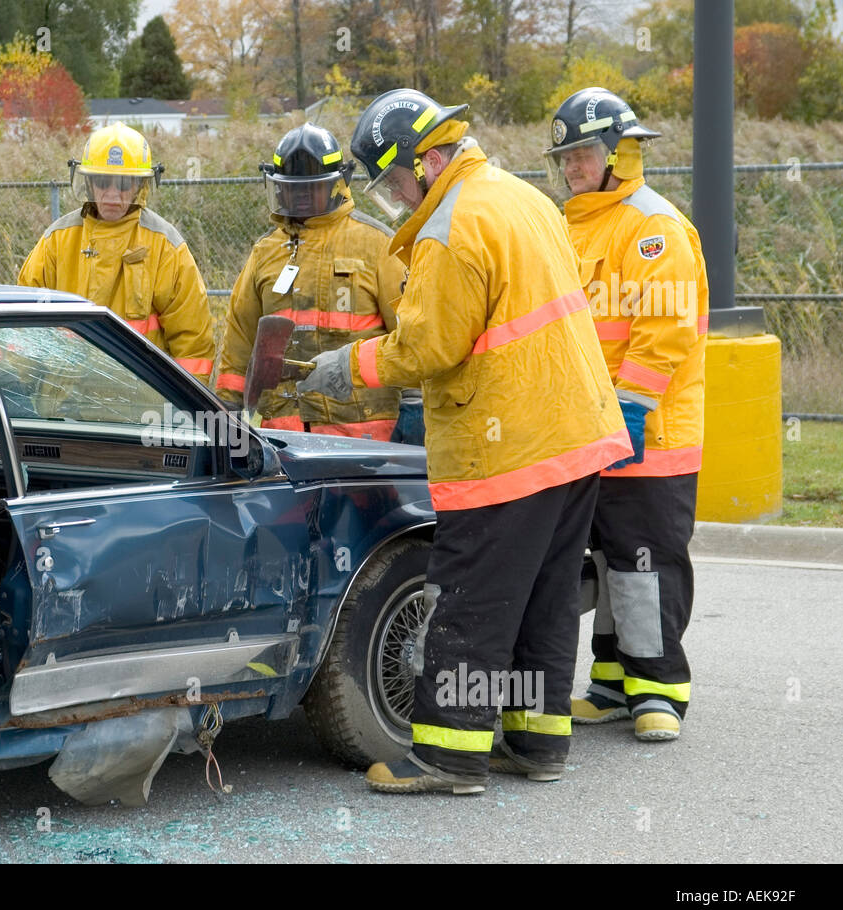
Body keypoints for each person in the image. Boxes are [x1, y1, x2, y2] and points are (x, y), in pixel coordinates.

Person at [299, 88, 631, 794]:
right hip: (574, 434)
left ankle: (448, 755)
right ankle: (537, 744)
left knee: (472, 597)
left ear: (430, 161)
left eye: (393, 180)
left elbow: (428, 345)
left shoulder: (451, 227)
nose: (392, 196)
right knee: (544, 596)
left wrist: (347, 363)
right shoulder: (519, 197)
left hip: (507, 442)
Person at [544, 87, 708, 742]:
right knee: (611, 560)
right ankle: (614, 682)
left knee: (644, 564)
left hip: (648, 432)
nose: (574, 166)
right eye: (566, 156)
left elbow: (665, 333)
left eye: (584, 152)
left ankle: (660, 690)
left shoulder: (652, 226)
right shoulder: (571, 223)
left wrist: (631, 412)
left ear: (620, 151)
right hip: (591, 430)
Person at [213, 123, 411, 440]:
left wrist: (415, 413)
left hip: (365, 439)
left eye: (312, 188)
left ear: (339, 183)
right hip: (282, 439)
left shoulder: (378, 245)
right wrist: (227, 411)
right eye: (293, 190)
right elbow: (239, 342)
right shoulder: (266, 251)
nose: (302, 198)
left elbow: (411, 338)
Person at [18, 123, 215, 383]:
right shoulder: (57, 240)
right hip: (63, 408)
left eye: (123, 183)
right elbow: (25, 324)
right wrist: (21, 391)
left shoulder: (165, 247)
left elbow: (192, 344)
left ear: (139, 186)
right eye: (102, 181)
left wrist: (185, 411)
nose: (112, 193)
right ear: (88, 182)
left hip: (140, 409)